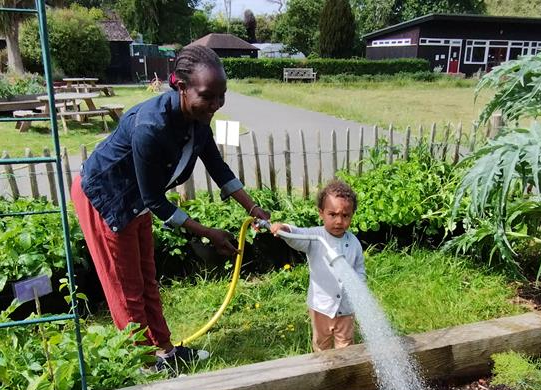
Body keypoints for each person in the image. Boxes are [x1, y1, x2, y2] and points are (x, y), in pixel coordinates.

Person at [71, 44, 271, 370]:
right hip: (106, 197)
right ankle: (144, 362)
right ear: (179, 84)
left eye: (222, 95)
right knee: (127, 288)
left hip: (138, 198)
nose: (216, 105)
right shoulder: (150, 127)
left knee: (147, 278)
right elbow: (155, 201)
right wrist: (207, 233)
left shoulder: (196, 121)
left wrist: (252, 208)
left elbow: (219, 169)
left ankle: (166, 350)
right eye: (208, 96)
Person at [270, 180, 365, 352]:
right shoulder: (315, 236)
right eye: (333, 214)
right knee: (322, 345)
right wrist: (284, 228)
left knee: (346, 347)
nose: (339, 221)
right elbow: (297, 235)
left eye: (345, 216)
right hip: (321, 307)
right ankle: (323, 372)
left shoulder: (353, 242)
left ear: (352, 215)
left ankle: (344, 374)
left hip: (346, 308)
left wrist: (359, 289)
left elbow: (359, 269)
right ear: (321, 213)